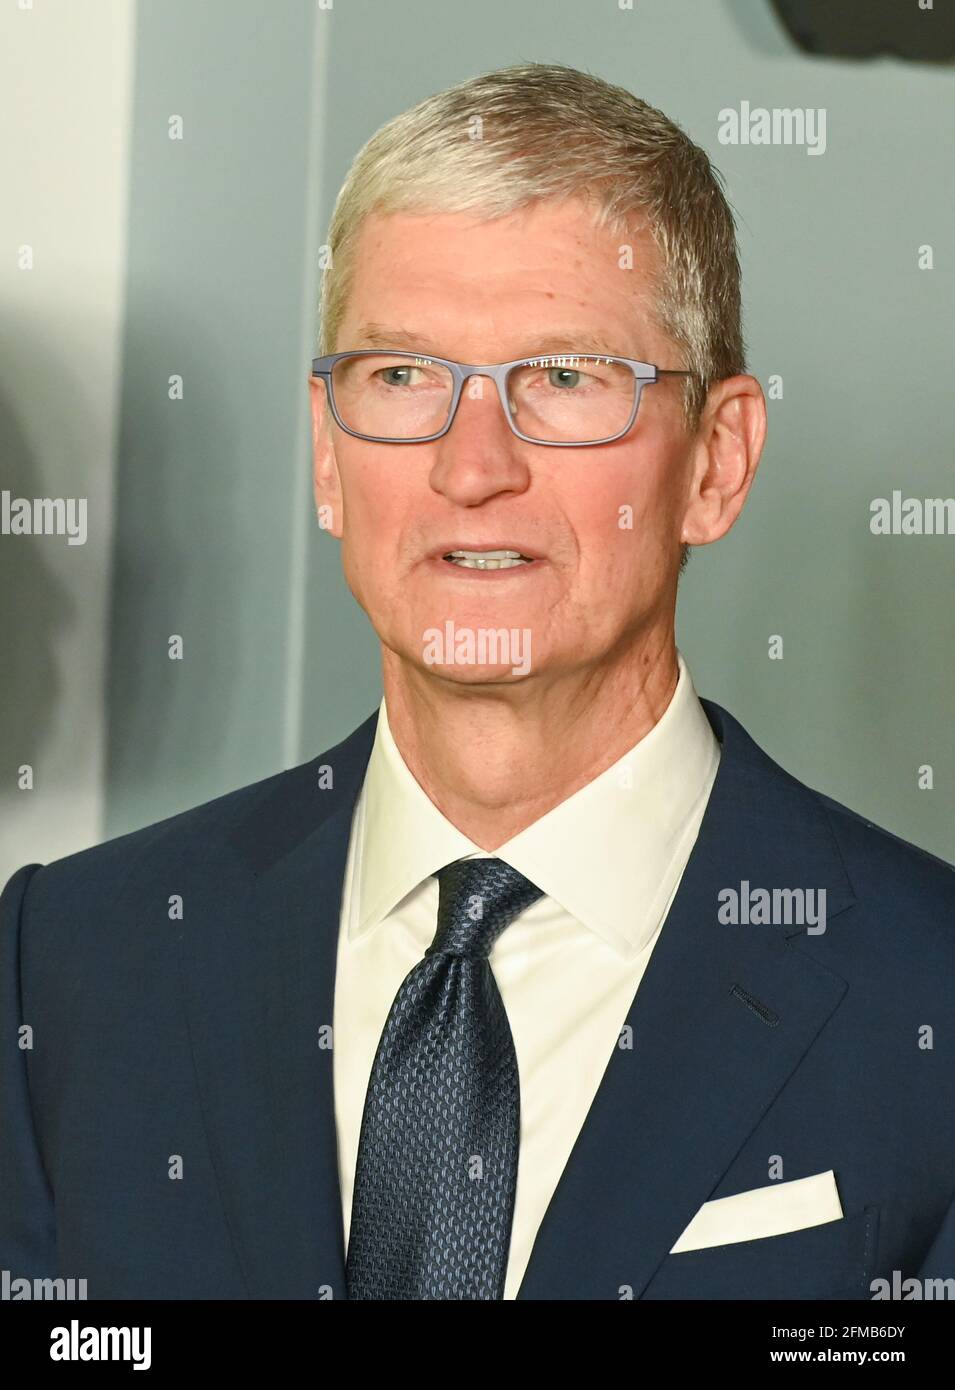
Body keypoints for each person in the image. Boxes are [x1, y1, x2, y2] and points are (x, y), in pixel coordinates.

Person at [2, 61, 953, 1302]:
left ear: (715, 463)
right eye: (403, 377)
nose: (472, 466)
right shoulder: (71, 962)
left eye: (563, 378)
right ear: (328, 456)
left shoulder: (921, 997)